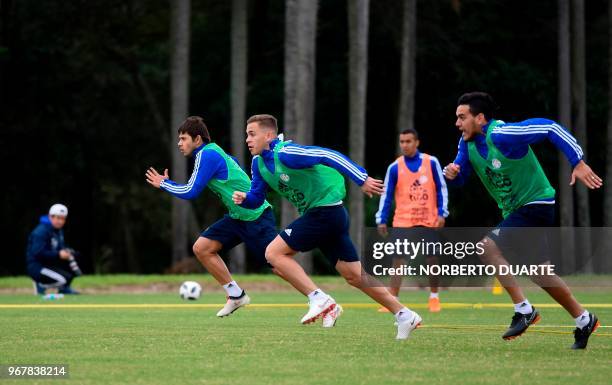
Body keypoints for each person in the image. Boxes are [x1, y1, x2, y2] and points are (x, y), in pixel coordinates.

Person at [232, 114, 422, 340]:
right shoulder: (258, 164)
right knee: (353, 276)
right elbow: (256, 197)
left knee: (273, 253)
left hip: (325, 212)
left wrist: (362, 178)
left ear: (269, 135)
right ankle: (404, 314)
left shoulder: (286, 153)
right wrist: (245, 199)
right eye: (246, 135)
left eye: (252, 134)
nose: (247, 139)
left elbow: (327, 155)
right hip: (327, 216)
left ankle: (319, 299)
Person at [443, 92, 601, 349]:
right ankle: (584, 319)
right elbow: (460, 174)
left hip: (536, 203)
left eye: (462, 117)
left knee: (486, 246)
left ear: (480, 118)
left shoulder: (502, 135)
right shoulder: (467, 143)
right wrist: (452, 174)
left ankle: (524, 310)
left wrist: (578, 161)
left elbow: (550, 127)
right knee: (540, 274)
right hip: (517, 210)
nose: (457, 123)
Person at [145, 116, 279, 317]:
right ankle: (236, 295)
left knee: (278, 264)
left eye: (183, 138)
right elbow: (232, 164)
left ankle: (318, 297)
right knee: (202, 248)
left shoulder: (206, 154)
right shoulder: (213, 151)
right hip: (238, 217)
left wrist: (164, 184)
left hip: (257, 216)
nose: (179, 144)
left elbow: (190, 191)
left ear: (197, 139)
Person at [375, 128, 449, 312]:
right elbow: (387, 195)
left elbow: (441, 188)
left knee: (432, 258)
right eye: (402, 142)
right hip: (403, 220)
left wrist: (442, 213)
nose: (405, 145)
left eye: (408, 141)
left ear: (417, 143)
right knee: (398, 260)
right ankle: (393, 299)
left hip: (427, 219)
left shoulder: (431, 162)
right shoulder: (394, 167)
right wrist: (381, 219)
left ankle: (434, 297)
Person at [26, 204, 80, 295]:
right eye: (58, 218)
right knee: (62, 280)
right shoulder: (41, 231)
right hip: (37, 266)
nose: (60, 221)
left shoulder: (58, 231)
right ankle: (40, 284)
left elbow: (59, 247)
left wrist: (67, 251)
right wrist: (58, 254)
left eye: (63, 218)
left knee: (70, 273)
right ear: (50, 217)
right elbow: (38, 253)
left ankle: (64, 289)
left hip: (49, 264)